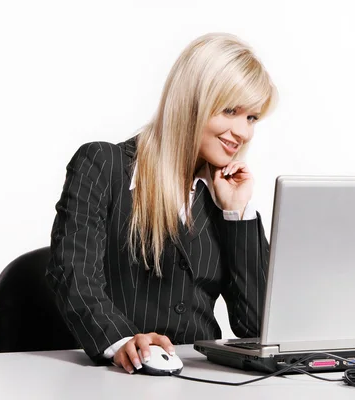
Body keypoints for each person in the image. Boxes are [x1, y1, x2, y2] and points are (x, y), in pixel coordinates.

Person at [46, 32, 278, 374]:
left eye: (251, 118)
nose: (242, 132)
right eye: (230, 110)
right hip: (115, 376)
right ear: (192, 101)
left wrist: (237, 213)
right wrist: (122, 341)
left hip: (201, 378)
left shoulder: (220, 195)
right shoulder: (103, 165)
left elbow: (258, 326)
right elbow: (73, 276)